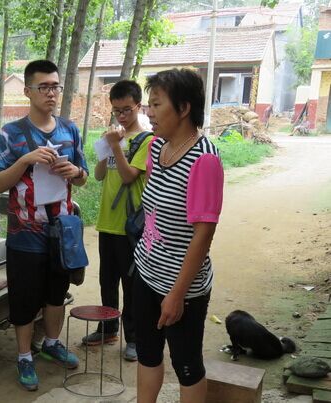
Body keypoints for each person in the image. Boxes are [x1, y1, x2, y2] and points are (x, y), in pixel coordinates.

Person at [0, 60, 88, 391]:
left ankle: (50, 343)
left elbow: (85, 176)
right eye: (44, 87)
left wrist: (74, 172)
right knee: (23, 297)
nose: (51, 93)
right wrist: (24, 160)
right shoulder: (12, 133)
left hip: (61, 232)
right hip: (24, 233)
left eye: (56, 86)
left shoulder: (69, 130)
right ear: (28, 91)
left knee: (56, 293)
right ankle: (23, 356)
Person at [134, 68, 224, 403]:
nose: (149, 112)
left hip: (182, 287)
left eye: (156, 105)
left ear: (184, 108)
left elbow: (203, 235)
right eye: (149, 104)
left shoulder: (205, 161)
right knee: (147, 352)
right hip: (145, 273)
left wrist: (177, 295)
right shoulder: (156, 148)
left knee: (186, 364)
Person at [84, 80, 152, 362]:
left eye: (127, 110)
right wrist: (107, 147)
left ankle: (134, 338)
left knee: (131, 284)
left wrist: (117, 147)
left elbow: (128, 177)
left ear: (138, 106)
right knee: (107, 281)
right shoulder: (113, 136)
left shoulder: (147, 140)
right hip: (107, 223)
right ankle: (108, 327)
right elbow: (100, 175)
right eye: (116, 110)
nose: (122, 116)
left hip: (131, 226)